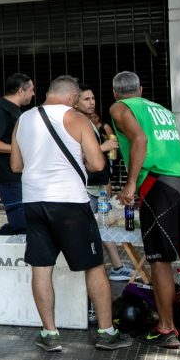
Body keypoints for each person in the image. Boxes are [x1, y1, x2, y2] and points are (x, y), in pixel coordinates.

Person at [10, 75, 131, 352]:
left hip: (33, 202)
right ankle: (106, 332)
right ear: (72, 97)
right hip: (69, 203)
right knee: (93, 265)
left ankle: (49, 334)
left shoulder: (23, 120)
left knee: (41, 267)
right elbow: (98, 163)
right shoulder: (77, 119)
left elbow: (16, 165)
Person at [109, 70, 180, 348]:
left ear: (115, 92)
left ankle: (167, 328)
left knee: (160, 260)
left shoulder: (120, 107)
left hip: (159, 183)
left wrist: (130, 184)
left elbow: (140, 141)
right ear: (141, 89)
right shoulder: (161, 109)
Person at [73, 85, 130, 281]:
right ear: (75, 102)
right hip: (85, 189)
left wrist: (106, 183)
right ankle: (87, 274)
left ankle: (117, 267)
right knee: (88, 232)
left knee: (103, 227)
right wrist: (103, 147)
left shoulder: (90, 123)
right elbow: (74, 156)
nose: (92, 102)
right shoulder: (75, 123)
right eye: (86, 99)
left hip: (98, 186)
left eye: (93, 98)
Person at [0, 73, 36, 234]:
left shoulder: (13, 109)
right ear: (21, 91)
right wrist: (17, 149)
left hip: (16, 175)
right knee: (21, 222)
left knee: (21, 222)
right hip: (8, 177)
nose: (33, 94)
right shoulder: (1, 109)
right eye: (31, 90)